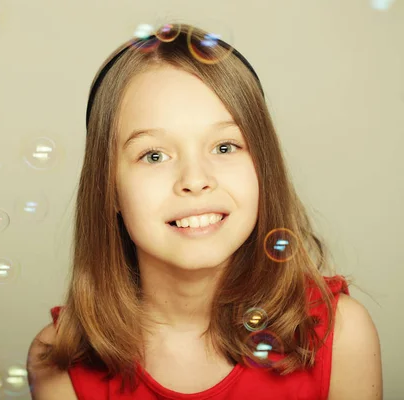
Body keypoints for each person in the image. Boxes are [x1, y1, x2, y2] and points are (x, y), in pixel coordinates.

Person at [26, 22, 382, 399]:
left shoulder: (339, 334)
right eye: (154, 155)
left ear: (263, 166)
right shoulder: (57, 361)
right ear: (108, 189)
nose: (195, 180)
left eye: (225, 147)